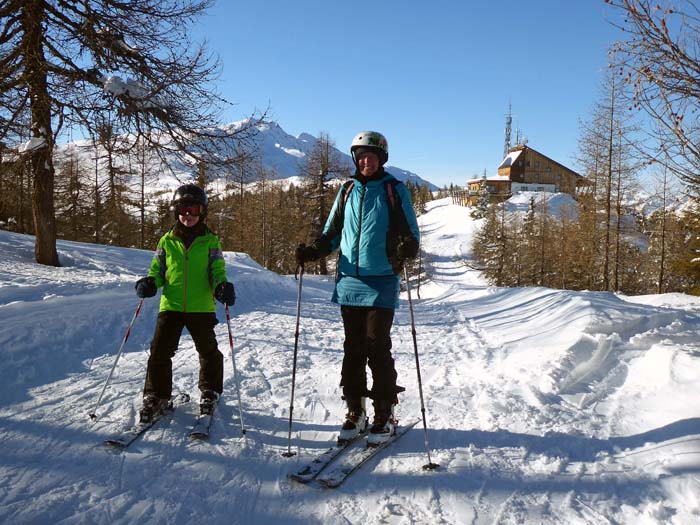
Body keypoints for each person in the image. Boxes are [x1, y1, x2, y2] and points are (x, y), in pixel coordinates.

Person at [295, 131, 420, 445]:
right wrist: (313, 251)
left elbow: (411, 233)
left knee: (377, 346)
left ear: (381, 159)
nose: (366, 161)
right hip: (350, 281)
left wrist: (407, 247)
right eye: (361, 156)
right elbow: (332, 232)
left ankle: (384, 410)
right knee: (353, 349)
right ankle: (355, 410)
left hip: (382, 280)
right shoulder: (347, 190)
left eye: (371, 156)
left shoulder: (394, 190)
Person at [134, 184, 236, 422]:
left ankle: (210, 391)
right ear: (175, 210)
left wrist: (222, 286)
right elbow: (158, 270)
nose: (188, 215)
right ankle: (156, 395)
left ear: (203, 212)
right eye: (183, 209)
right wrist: (150, 282)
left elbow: (217, 270)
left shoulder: (210, 241)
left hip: (201, 306)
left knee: (208, 351)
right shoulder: (167, 241)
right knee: (159, 351)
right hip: (171, 304)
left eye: (194, 210)